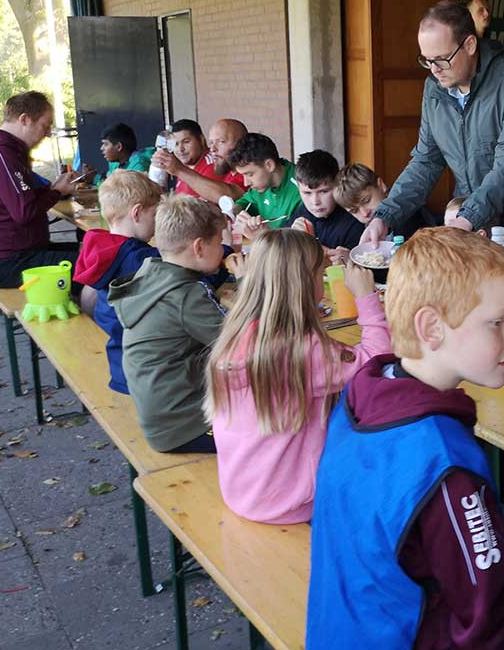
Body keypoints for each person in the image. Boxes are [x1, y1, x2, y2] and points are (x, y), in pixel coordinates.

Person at [306, 227, 504, 650]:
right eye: (497, 322)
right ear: (431, 328)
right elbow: (485, 618)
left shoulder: (364, 394)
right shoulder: (446, 469)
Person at [204, 230, 391, 524]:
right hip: (290, 503)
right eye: (320, 273)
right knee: (391, 470)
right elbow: (377, 360)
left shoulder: (239, 333)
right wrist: (366, 297)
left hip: (244, 490)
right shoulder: (303, 350)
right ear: (306, 284)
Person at [359, 0, 504, 251]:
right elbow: (426, 161)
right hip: (470, 221)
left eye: (442, 59)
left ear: (470, 45)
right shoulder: (434, 89)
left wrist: (467, 218)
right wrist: (384, 217)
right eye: (427, 60)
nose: (434, 70)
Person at [109, 195, 240, 454]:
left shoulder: (154, 274)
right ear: (199, 247)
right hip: (185, 426)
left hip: (163, 417)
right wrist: (247, 282)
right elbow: (242, 345)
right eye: (219, 243)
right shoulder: (186, 295)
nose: (224, 250)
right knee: (285, 426)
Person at [0, 91, 86, 288]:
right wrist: (56, 192)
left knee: (95, 253)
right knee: (96, 265)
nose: (48, 133)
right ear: (25, 119)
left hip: (21, 251)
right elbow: (24, 212)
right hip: (7, 261)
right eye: (45, 125)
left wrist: (55, 187)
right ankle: (87, 316)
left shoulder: (9, 151)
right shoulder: (1, 155)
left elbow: (24, 198)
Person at [73, 171, 164, 394]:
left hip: (117, 355)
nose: (156, 222)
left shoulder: (101, 245)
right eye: (155, 215)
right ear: (137, 212)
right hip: (141, 372)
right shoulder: (138, 258)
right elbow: (184, 277)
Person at [285, 149, 365, 260]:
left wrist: (310, 243)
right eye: (307, 193)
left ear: (337, 185)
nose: (315, 202)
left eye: (323, 191)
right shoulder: (302, 213)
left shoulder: (354, 220)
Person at [152, 118, 246, 202]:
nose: (212, 149)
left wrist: (179, 170)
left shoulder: (245, 171)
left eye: (221, 142)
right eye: (212, 142)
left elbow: (227, 197)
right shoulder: (225, 167)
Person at [332, 162, 436, 238]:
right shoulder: (357, 225)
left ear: (381, 185)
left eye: (366, 201)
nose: (364, 213)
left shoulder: (409, 217)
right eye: (354, 211)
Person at [228, 132, 302, 230]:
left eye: (250, 174)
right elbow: (244, 202)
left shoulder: (302, 189)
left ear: (269, 165)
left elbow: (296, 240)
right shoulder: (261, 185)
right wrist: (235, 213)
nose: (246, 183)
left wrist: (262, 234)